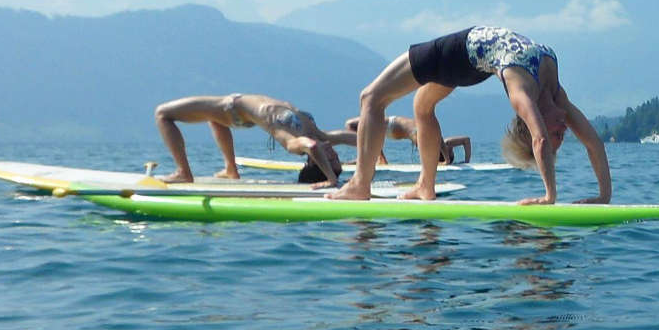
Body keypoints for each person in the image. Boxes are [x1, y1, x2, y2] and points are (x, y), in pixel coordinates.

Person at [328, 26, 610, 203]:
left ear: (531, 117)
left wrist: (550, 196)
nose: (564, 127)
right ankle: (426, 186)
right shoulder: (557, 95)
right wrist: (604, 195)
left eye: (558, 133)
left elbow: (540, 140)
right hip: (472, 65)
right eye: (562, 133)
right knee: (422, 107)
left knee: (370, 98)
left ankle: (359, 185)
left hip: (458, 54)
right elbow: (593, 142)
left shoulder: (522, 93)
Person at [153, 94, 349, 186]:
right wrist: (376, 143)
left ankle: (183, 173)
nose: (334, 153)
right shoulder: (321, 135)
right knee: (215, 120)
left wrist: (331, 180)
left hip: (232, 108)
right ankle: (231, 169)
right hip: (239, 112)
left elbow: (312, 146)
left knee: (163, 114)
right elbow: (353, 138)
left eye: (330, 160)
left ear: (314, 161)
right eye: (336, 158)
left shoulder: (296, 143)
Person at [344, 116, 473, 165]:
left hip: (393, 127)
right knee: (351, 125)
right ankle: (375, 158)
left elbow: (441, 140)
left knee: (352, 125)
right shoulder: (440, 142)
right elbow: (466, 140)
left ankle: (376, 158)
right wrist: (465, 161)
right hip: (393, 127)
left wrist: (447, 160)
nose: (449, 147)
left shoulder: (433, 143)